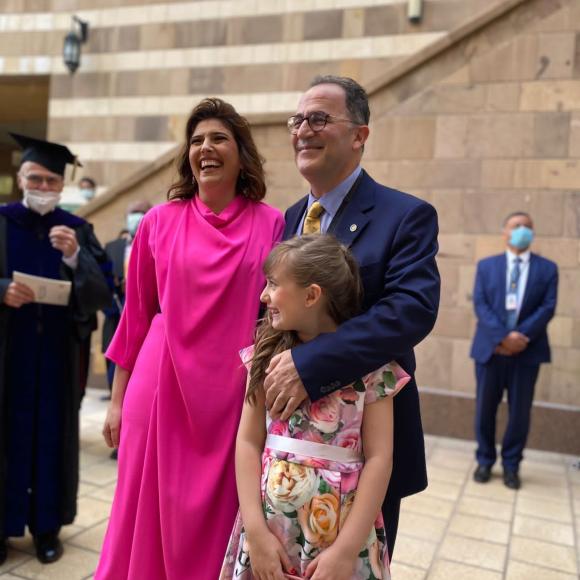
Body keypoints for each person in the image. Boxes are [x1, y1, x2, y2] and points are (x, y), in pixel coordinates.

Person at [95, 98, 284, 580]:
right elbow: (134, 319)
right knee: (141, 512)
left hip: (234, 398)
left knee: (221, 517)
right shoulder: (158, 221)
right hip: (158, 388)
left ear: (241, 153)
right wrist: (116, 401)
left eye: (219, 138)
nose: (206, 148)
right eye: (197, 141)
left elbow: (276, 317)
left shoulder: (273, 223)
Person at [262, 75, 440, 556]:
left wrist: (312, 363)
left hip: (365, 448)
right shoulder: (289, 217)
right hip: (283, 448)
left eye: (319, 118)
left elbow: (411, 310)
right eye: (297, 120)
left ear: (360, 134)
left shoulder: (405, 215)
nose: (303, 129)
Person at [221, 235, 411, 580]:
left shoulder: (373, 370)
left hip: (341, 534)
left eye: (274, 285)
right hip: (270, 530)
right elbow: (248, 442)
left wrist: (345, 551)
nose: (263, 296)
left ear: (311, 295)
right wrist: (256, 533)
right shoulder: (265, 356)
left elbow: (380, 458)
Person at [0, 133, 111, 565]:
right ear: (20, 177)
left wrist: (72, 260)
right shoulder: (2, 222)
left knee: (51, 441)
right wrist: (3, 288)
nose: (43, 188)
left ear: (62, 187)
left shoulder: (77, 230)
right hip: (8, 358)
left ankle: (47, 529)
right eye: (36, 179)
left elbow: (103, 290)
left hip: (56, 363)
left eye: (51, 182)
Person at [471, 211, 558, 490]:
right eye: (517, 226)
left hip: (527, 352)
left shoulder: (548, 269)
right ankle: (485, 460)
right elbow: (481, 305)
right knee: (485, 409)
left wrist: (520, 337)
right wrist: (503, 336)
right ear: (504, 232)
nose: (523, 231)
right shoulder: (486, 266)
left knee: (520, 413)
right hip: (490, 350)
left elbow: (548, 307)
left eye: (528, 227)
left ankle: (511, 465)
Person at [101, 200, 152, 396]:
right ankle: (113, 393)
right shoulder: (113, 247)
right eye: (133, 212)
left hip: (143, 314)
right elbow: (101, 280)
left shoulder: (157, 241)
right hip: (115, 311)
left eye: (142, 212)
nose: (137, 216)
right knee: (113, 354)